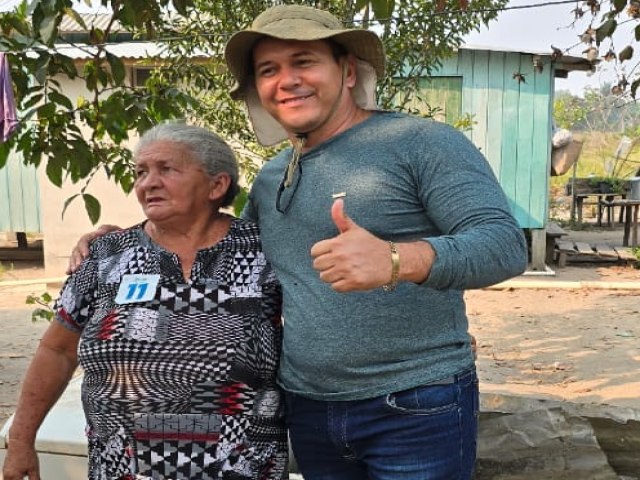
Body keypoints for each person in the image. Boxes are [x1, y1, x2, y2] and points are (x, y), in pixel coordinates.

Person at [67, 5, 528, 479]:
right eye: (269, 69)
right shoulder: (272, 177)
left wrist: (398, 259)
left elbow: (504, 245)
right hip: (308, 408)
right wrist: (124, 244)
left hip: (413, 402)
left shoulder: (420, 142)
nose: (287, 80)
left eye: (304, 61)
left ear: (348, 71)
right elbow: (227, 251)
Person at [2, 123, 287, 480]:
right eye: (140, 172)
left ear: (217, 185)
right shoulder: (106, 257)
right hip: (124, 469)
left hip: (239, 468)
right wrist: (21, 440)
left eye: (166, 169)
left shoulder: (266, 253)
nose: (147, 183)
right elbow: (57, 352)